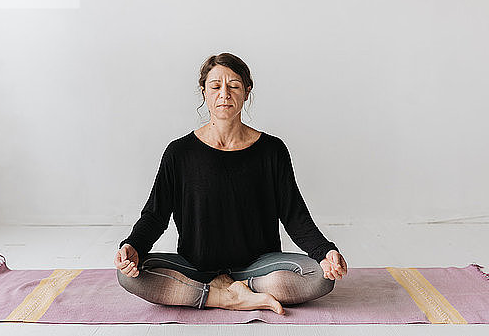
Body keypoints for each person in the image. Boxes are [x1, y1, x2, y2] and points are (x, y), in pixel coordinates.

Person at [114, 53, 348, 314]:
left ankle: (231, 288)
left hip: (258, 266)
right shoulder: (179, 152)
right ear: (203, 92)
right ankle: (226, 297)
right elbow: (155, 216)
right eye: (215, 87)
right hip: (196, 266)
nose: (224, 94)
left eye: (234, 86)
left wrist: (325, 252)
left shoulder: (272, 150)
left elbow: (294, 215)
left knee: (319, 277)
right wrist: (132, 246)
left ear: (247, 92)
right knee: (129, 275)